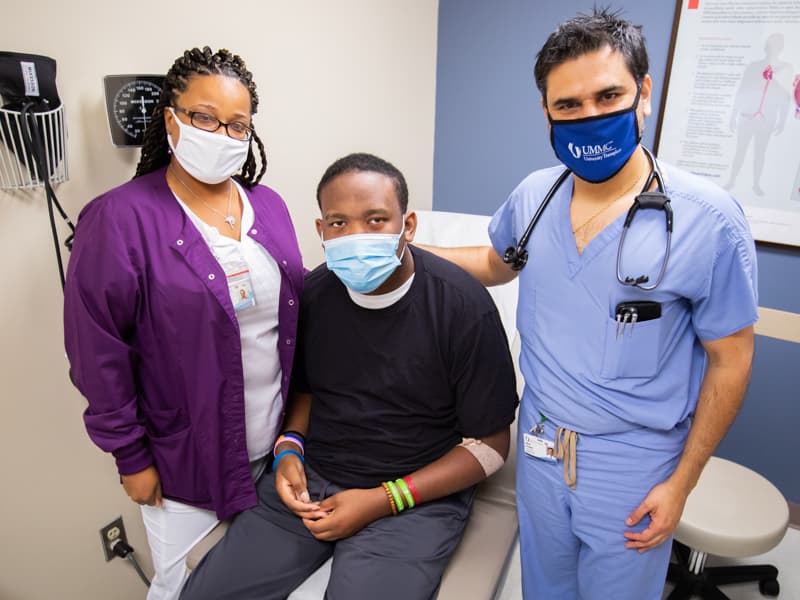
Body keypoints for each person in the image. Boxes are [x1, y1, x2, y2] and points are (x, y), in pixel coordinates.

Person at [421, 9, 758, 600]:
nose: (590, 117)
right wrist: (408, 249)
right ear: (547, 111)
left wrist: (682, 482)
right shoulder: (535, 194)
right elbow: (498, 262)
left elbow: (730, 360)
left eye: (609, 96)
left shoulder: (707, 219)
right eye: (568, 105)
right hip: (541, 440)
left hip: (635, 462)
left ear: (643, 93)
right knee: (546, 588)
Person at [180, 152, 519, 600]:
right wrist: (288, 450)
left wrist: (384, 499)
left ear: (408, 226)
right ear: (321, 231)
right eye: (339, 224)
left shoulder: (462, 307)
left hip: (413, 496)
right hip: (314, 479)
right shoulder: (316, 294)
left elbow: (491, 447)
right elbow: (306, 389)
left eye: (376, 220)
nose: (356, 236)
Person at [63, 47, 304, 600]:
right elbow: (97, 352)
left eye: (237, 124)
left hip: (274, 451)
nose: (222, 133)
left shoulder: (267, 205)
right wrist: (131, 455)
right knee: (186, 586)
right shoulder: (120, 218)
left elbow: (291, 317)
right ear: (170, 118)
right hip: (184, 463)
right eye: (204, 117)